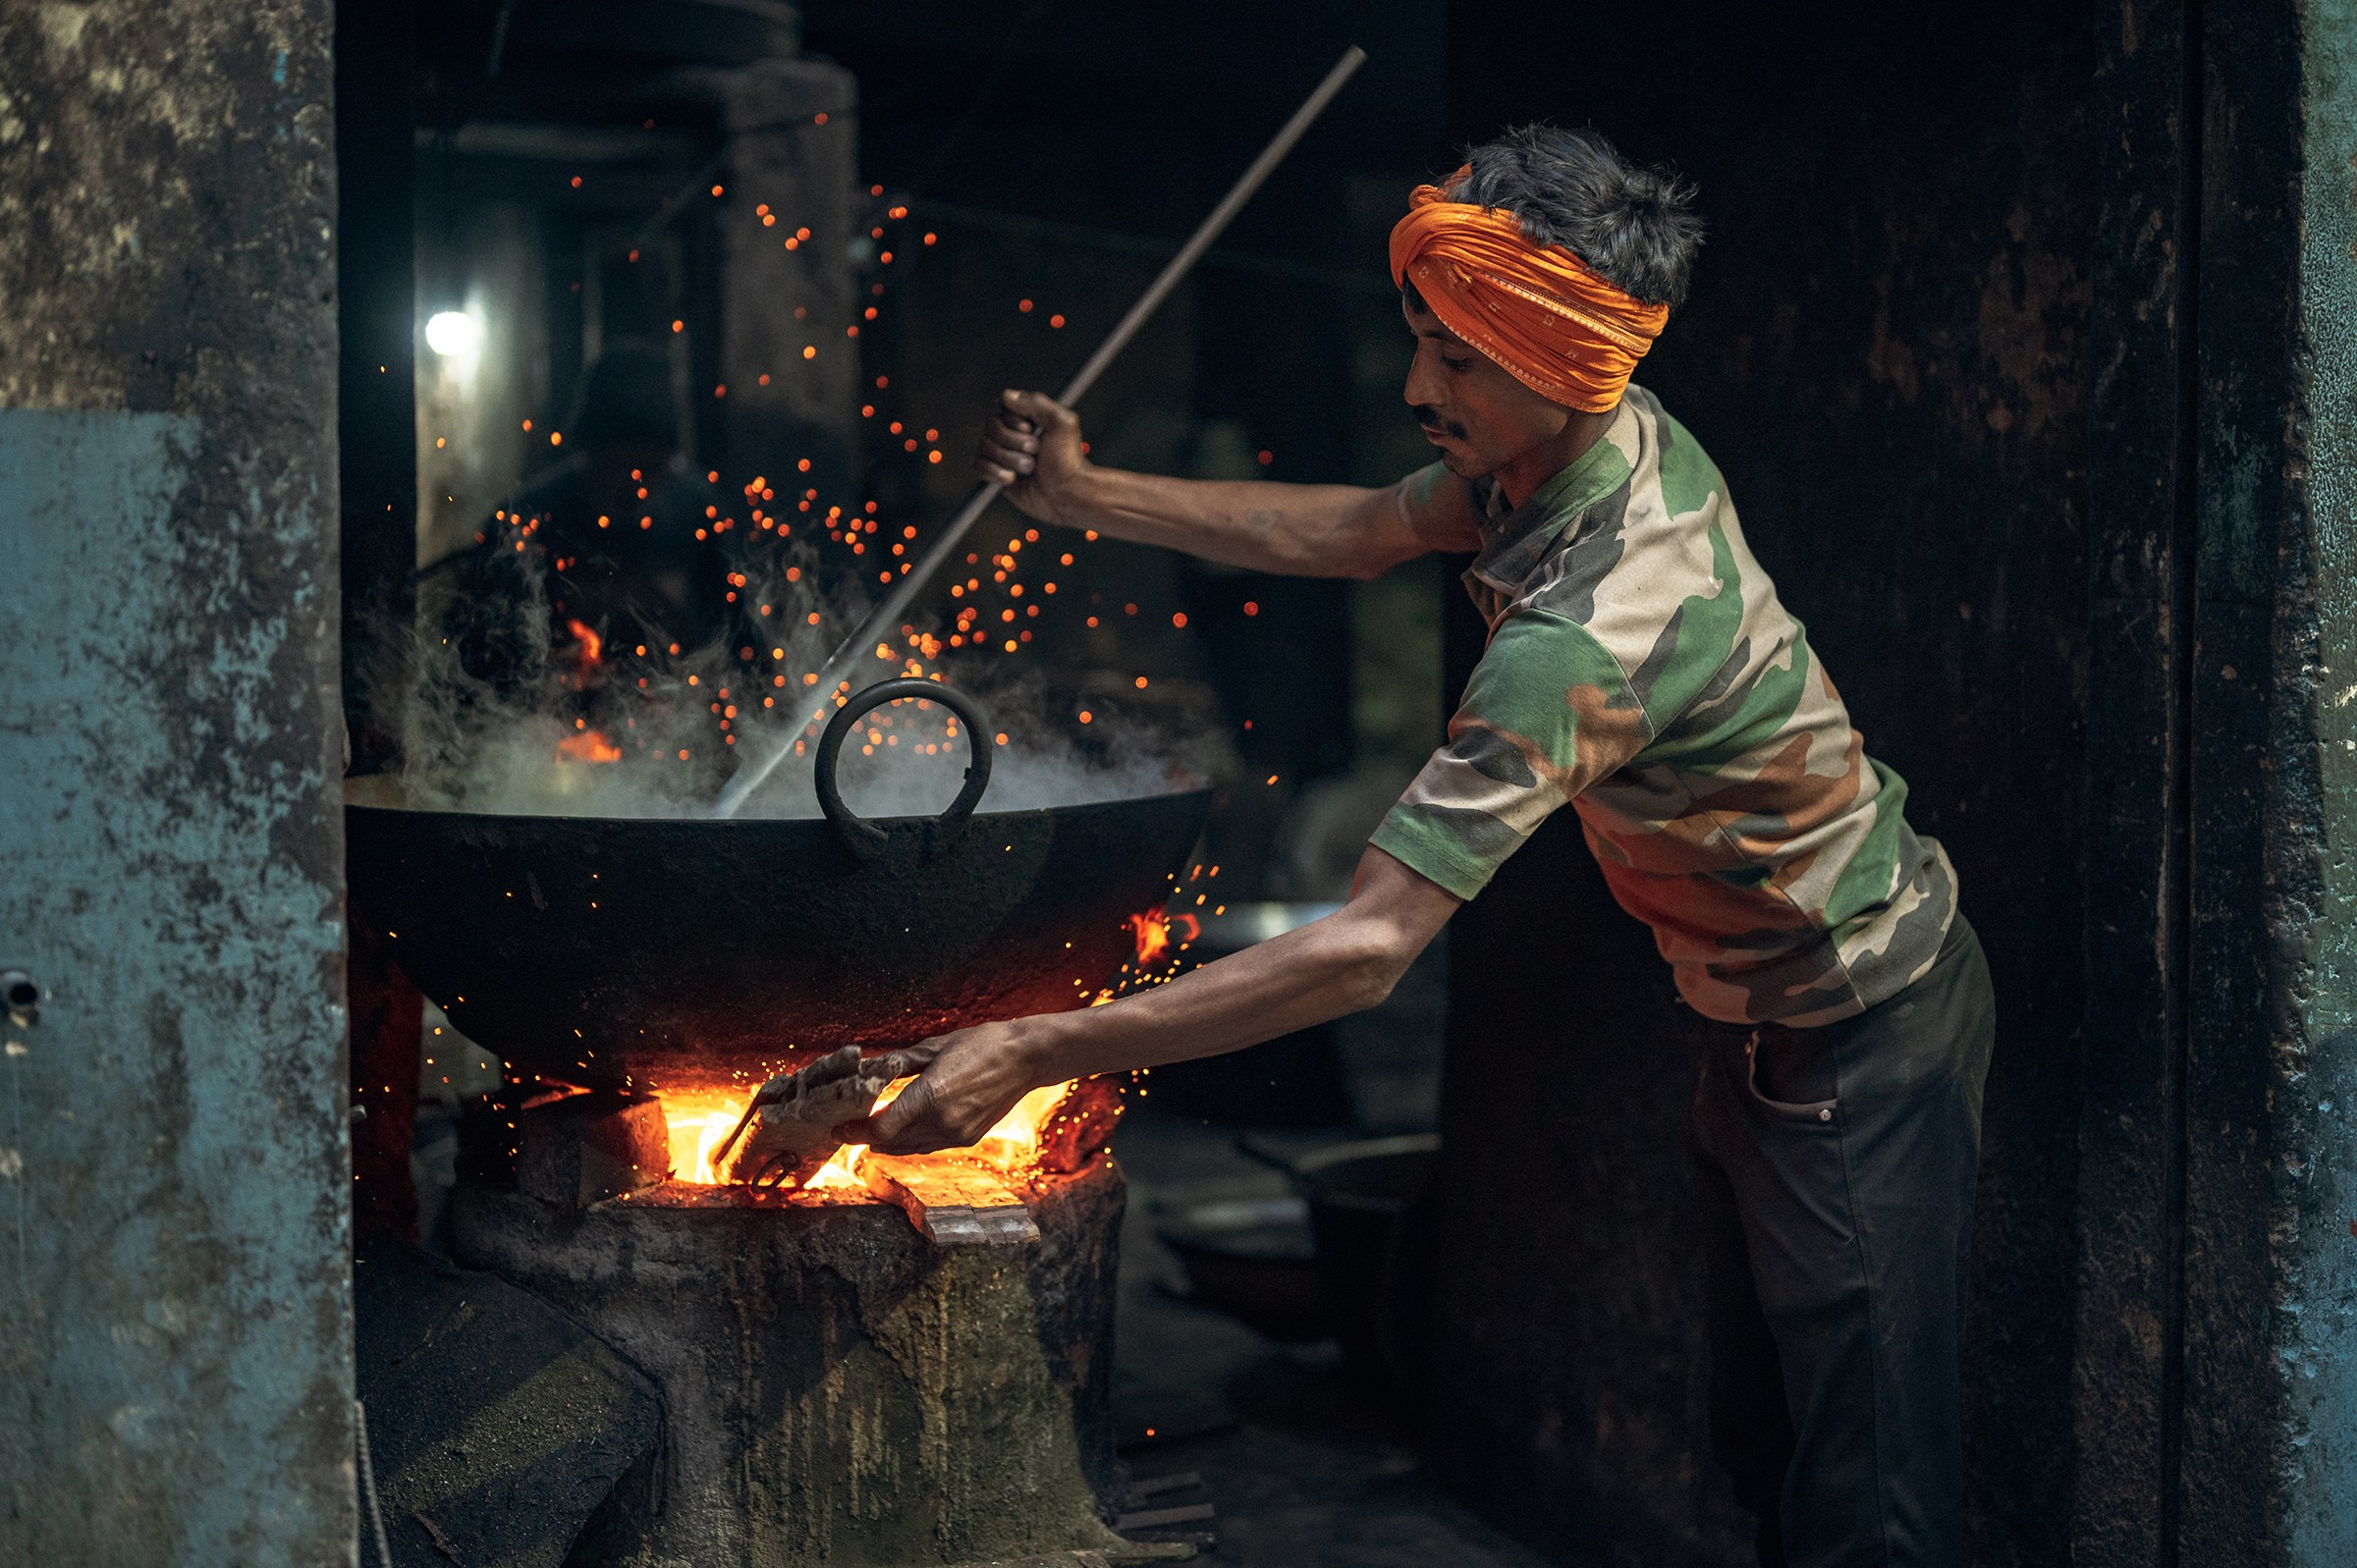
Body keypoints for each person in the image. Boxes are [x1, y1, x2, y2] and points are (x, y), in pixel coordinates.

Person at [859, 124, 1994, 1568]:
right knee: (1769, 1450)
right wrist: (1090, 497)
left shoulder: (1587, 630)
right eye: (1418, 341)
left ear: (1559, 361)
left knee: (1872, 1506)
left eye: (1457, 359)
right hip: (1755, 1027)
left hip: (1860, 1025)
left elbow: (1367, 949)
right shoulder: (1570, 445)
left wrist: (1032, 1048)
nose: (1416, 388)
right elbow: (1352, 527)